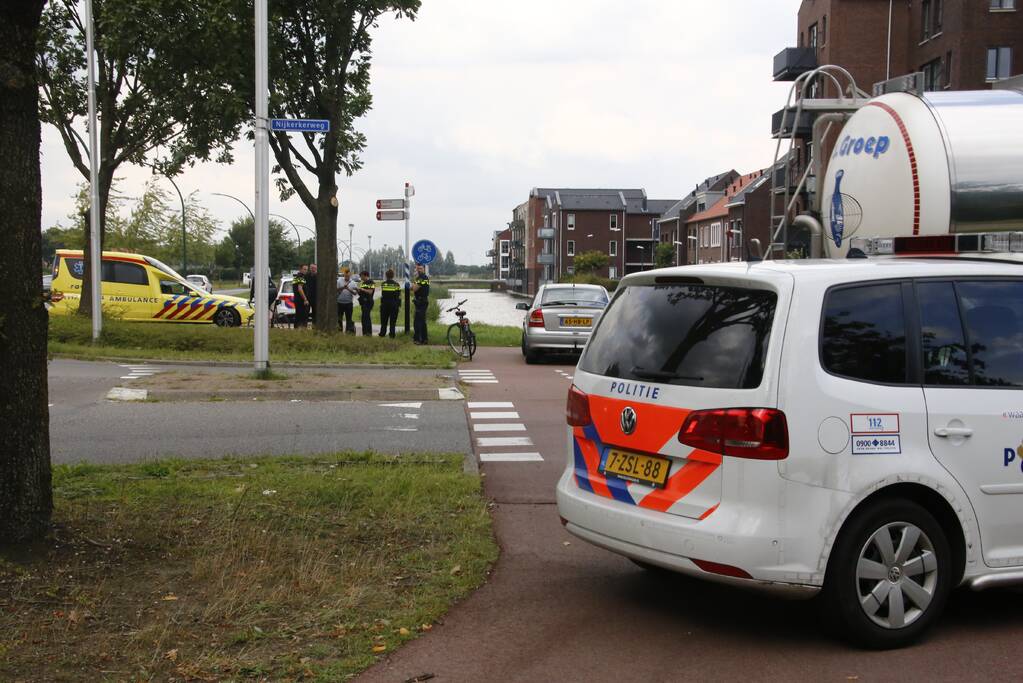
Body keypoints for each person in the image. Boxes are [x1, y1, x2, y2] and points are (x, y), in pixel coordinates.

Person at [378, 269, 401, 339]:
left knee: (384, 320)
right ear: (393, 275)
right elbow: (398, 295)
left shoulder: (383, 284)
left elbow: (383, 294)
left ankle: (382, 333)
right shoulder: (396, 284)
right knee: (393, 321)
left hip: (384, 304)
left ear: (386, 275)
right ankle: (392, 335)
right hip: (394, 304)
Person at [412, 263, 430, 344]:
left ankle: (417, 339)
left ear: (424, 269)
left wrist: (413, 284)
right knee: (422, 321)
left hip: (421, 301)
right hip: (422, 300)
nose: (419, 270)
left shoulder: (421, 278)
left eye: (420, 268)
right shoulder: (424, 277)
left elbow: (414, 289)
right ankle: (424, 339)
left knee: (417, 321)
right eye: (418, 268)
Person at [357, 270, 376, 336]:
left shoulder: (371, 282)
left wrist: (362, 289)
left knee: (366, 317)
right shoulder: (364, 283)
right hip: (363, 302)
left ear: (365, 275)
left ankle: (368, 333)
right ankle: (364, 332)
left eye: (361, 276)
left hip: (368, 302)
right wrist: (358, 291)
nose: (361, 277)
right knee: (364, 318)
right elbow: (362, 293)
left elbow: (370, 292)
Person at [292, 264, 310, 328]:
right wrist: (305, 299)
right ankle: (301, 330)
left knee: (298, 315)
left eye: (307, 269)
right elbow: (300, 289)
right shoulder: (301, 277)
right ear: (300, 269)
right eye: (304, 269)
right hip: (301, 300)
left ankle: (296, 329)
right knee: (302, 317)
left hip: (297, 299)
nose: (306, 271)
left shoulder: (296, 277)